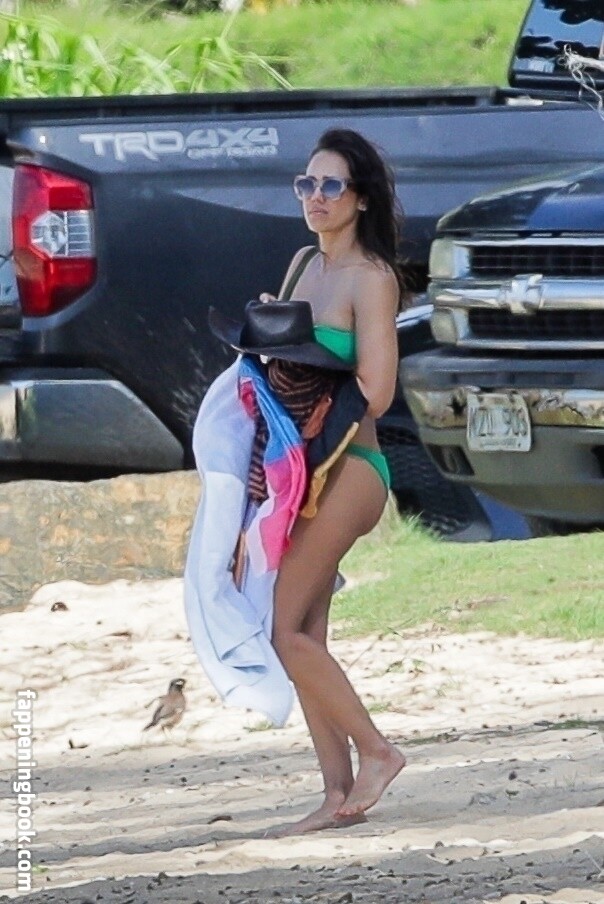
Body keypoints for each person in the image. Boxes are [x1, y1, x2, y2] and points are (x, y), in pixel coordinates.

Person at [260, 128, 407, 834]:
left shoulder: (371, 278)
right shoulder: (302, 265)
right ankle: (336, 793)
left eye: (330, 186)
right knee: (308, 632)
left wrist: (302, 352)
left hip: (352, 468)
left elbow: (376, 392)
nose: (314, 198)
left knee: (283, 630)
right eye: (306, 184)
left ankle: (378, 752)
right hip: (305, 470)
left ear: (360, 198)